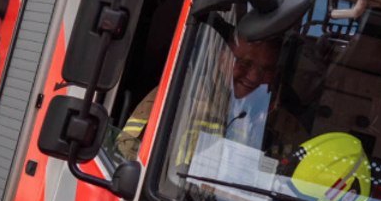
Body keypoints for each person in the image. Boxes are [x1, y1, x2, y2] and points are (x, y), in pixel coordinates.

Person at [115, 36, 283, 160]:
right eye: (244, 63)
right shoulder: (176, 96)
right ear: (223, 59)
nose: (254, 77)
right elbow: (125, 154)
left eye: (266, 69)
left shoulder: (272, 118)